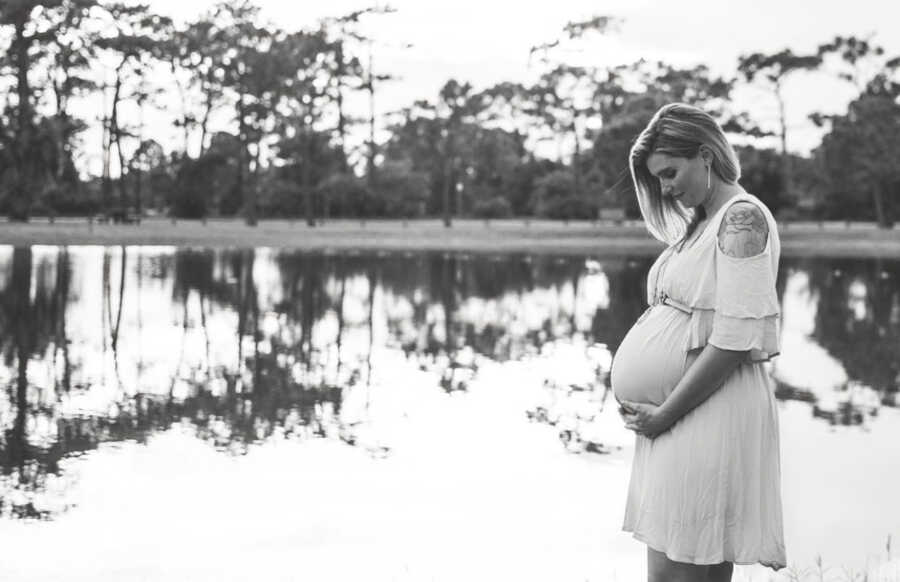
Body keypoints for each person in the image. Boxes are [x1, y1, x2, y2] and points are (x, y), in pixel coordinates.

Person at [609, 103, 787, 582]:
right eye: (657, 180)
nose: (665, 189)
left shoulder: (741, 219)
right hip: (676, 420)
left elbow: (734, 339)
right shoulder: (702, 224)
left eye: (670, 173)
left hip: (705, 413)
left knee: (692, 573)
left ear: (706, 155)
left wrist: (664, 414)